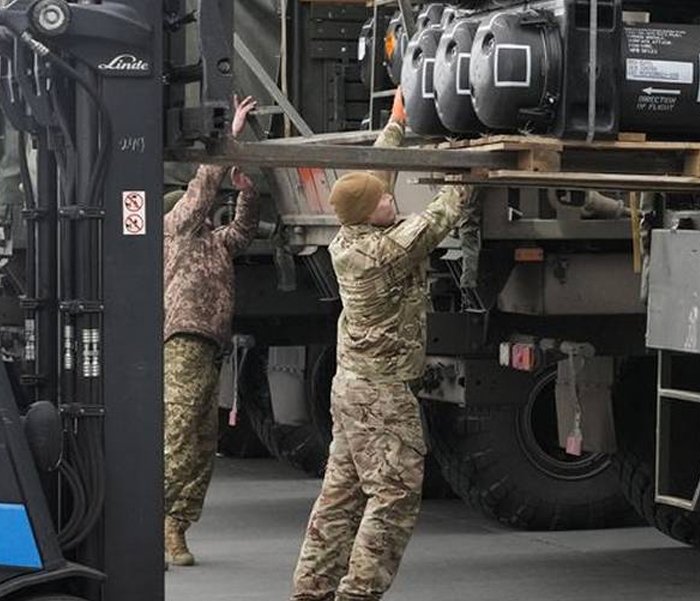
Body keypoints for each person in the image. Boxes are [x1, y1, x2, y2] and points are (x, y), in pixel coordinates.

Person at [290, 90, 471, 601]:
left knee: (340, 496)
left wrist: (395, 127)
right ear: (372, 213)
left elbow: (377, 181)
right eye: (385, 201)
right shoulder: (387, 249)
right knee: (393, 496)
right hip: (382, 397)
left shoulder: (349, 236)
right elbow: (443, 214)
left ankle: (311, 591)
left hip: (351, 391)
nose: (393, 198)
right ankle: (359, 593)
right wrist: (465, 163)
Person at [163, 95, 259, 567]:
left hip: (210, 346)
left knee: (203, 444)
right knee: (179, 434)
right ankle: (152, 518)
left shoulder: (214, 245)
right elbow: (201, 189)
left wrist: (246, 192)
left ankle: (176, 528)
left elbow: (243, 231)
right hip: (183, 341)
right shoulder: (173, 231)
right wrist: (230, 138)